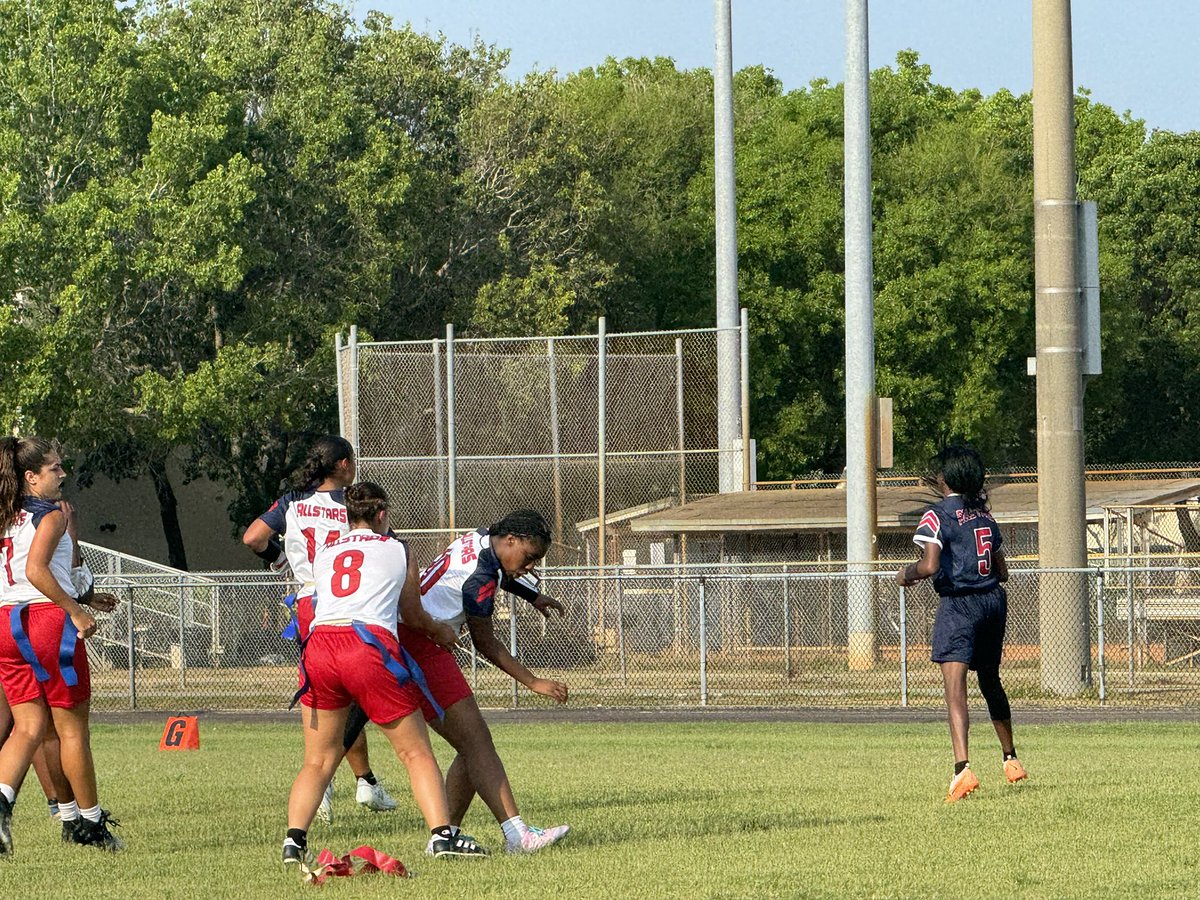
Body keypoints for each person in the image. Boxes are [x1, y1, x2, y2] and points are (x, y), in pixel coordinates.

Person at [283, 481, 488, 866]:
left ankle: (294, 843)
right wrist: (441, 631)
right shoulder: (398, 548)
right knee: (415, 752)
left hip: (321, 646)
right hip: (367, 645)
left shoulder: (326, 551)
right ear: (381, 515)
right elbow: (411, 614)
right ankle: (443, 835)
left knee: (318, 760)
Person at [381, 509, 571, 854]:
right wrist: (532, 681)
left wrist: (532, 596)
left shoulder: (484, 536)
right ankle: (519, 836)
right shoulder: (481, 578)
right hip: (420, 646)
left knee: (472, 747)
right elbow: (484, 642)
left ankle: (446, 836)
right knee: (478, 743)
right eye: (529, 558)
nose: (530, 568)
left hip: (407, 638)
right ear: (510, 540)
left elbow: (497, 570)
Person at [243, 436, 396, 822]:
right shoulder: (353, 503)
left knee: (328, 696)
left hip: (309, 604)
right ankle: (329, 780)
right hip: (350, 602)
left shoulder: (293, 501)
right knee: (358, 693)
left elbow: (253, 537)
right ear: (342, 465)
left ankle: (362, 780)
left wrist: (281, 563)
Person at [0, 436, 122, 853]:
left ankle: (9, 805)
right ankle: (91, 824)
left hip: (6, 624)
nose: (62, 474)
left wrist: (82, 598)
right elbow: (36, 572)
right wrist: (75, 609)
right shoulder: (47, 515)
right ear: (31, 477)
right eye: (54, 468)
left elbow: (20, 574)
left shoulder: (5, 517)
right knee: (72, 732)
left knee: (31, 727)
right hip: (45, 622)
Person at [896, 445, 1028, 803]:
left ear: (944, 478)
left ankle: (962, 770)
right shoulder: (984, 516)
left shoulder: (936, 516)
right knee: (990, 680)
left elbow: (930, 566)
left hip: (959, 605)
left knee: (955, 688)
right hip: (992, 602)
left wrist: (905, 573)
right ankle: (1011, 759)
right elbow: (1002, 570)